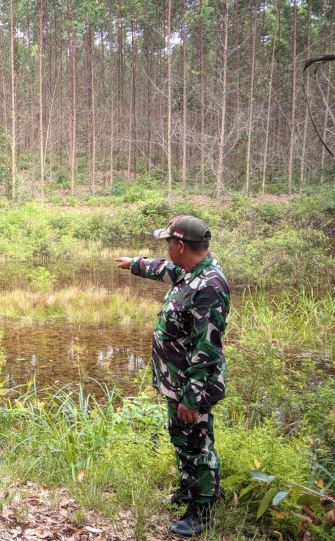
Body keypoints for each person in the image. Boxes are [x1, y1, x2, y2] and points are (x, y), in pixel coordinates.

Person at [115, 215, 230, 538]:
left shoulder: (209, 286)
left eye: (168, 242)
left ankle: (201, 511)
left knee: (199, 446)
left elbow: (206, 349)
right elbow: (166, 270)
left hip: (194, 387)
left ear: (180, 245)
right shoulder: (192, 273)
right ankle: (186, 490)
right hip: (176, 382)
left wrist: (192, 398)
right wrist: (134, 264)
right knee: (182, 440)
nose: (166, 248)